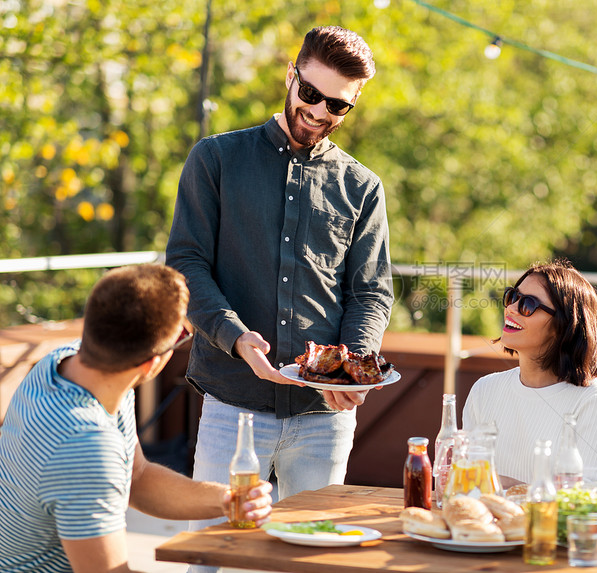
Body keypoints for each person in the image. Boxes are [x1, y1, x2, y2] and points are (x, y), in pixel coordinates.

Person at [165, 24, 392, 521]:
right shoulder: (216, 159)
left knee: (311, 558)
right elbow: (185, 264)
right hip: (232, 405)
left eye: (337, 106)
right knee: (214, 552)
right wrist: (235, 336)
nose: (317, 112)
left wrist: (349, 369)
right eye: (310, 93)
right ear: (291, 74)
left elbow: (370, 292)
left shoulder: (363, 187)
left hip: (323, 417)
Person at [0, 264, 272, 573]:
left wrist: (227, 498)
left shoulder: (61, 362)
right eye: (182, 336)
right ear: (151, 365)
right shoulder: (86, 447)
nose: (185, 337)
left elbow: (137, 477)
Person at [462, 259, 597, 487]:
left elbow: (593, 493)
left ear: (564, 325)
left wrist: (508, 486)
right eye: (512, 297)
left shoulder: (594, 399)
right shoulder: (484, 390)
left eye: (527, 304)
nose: (511, 308)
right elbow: (466, 478)